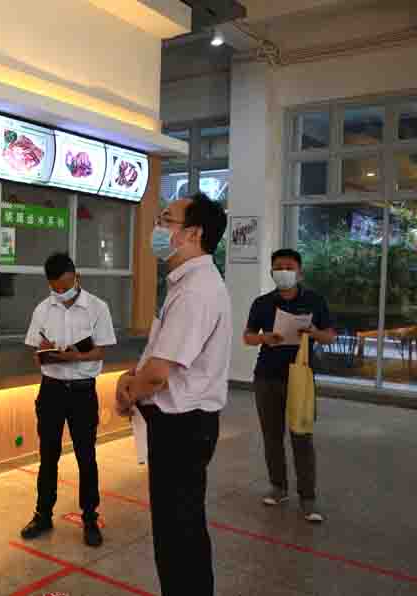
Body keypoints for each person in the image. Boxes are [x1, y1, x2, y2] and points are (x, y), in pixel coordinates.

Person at [115, 192, 231, 596]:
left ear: (194, 234)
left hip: (183, 428)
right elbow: (158, 357)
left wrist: (129, 392)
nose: (157, 229)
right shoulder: (186, 284)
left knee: (178, 535)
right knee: (179, 529)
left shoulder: (197, 290)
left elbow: (159, 375)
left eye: (166, 220)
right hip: (181, 425)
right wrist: (132, 378)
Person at [20, 252, 117, 547]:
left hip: (82, 391)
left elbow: (101, 350)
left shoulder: (97, 308)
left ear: (77, 277)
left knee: (86, 456)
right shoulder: (42, 309)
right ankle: (42, 515)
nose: (61, 292)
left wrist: (76, 357)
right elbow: (35, 350)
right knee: (48, 455)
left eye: (66, 286)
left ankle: (90, 518)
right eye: (56, 288)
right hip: (51, 390)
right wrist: (44, 352)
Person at [243, 248, 336, 523]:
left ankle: (308, 498)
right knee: (272, 436)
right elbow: (248, 336)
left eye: (289, 267)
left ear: (300, 272)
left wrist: (314, 333)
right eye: (279, 267)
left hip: (301, 376)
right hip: (266, 376)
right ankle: (278, 487)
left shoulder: (315, 300)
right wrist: (265, 338)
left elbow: (330, 336)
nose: (284, 272)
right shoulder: (262, 303)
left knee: (301, 436)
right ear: (272, 272)